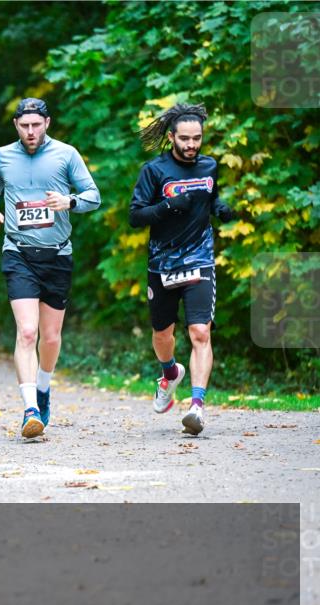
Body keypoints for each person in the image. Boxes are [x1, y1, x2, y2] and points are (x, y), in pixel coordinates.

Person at [0, 98, 101, 438]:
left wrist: (69, 202)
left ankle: (43, 388)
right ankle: (30, 408)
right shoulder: (3, 156)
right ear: (16, 126)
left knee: (50, 336)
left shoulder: (66, 154)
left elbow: (94, 195)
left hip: (58, 255)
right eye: (23, 126)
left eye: (35, 125)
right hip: (18, 253)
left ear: (47, 122)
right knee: (28, 332)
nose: (30, 132)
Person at [129, 102, 235, 436]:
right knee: (162, 334)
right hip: (162, 264)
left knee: (200, 332)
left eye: (197, 138)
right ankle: (169, 373)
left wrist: (221, 209)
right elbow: (135, 217)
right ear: (172, 137)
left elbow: (210, 198)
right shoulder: (154, 170)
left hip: (199, 259)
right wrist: (165, 206)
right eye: (185, 139)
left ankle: (197, 407)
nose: (191, 145)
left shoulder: (209, 166)